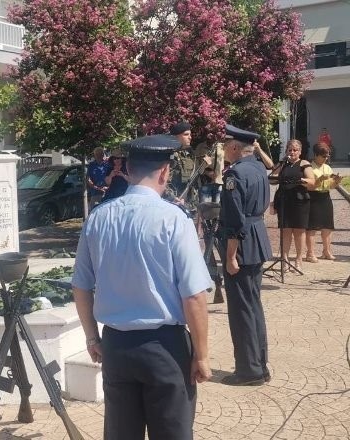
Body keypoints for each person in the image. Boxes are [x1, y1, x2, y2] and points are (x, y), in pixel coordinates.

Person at [73, 134, 212, 440]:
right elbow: (194, 295)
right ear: (165, 172)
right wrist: (201, 355)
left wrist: (92, 337)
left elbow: (81, 287)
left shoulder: (98, 217)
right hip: (165, 347)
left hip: (117, 346)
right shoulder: (175, 219)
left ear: (128, 170)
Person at [219, 124, 273, 386]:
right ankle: (260, 364)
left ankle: (248, 370)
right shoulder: (258, 168)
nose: (224, 151)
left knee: (241, 310)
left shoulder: (235, 175)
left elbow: (234, 221)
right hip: (257, 237)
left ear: (235, 147)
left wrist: (230, 256)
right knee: (253, 305)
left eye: (225, 146)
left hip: (242, 244)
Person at [271, 139, 316, 271]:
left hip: (299, 200)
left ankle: (298, 259)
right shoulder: (282, 163)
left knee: (299, 231)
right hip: (284, 200)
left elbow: (312, 182)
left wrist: (301, 180)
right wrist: (275, 175)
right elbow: (272, 179)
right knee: (285, 230)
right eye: (290, 149)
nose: (292, 152)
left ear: (300, 151)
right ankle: (284, 259)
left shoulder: (304, 164)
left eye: (295, 150)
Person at [306, 142, 341, 262]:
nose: (326, 159)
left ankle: (327, 251)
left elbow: (331, 186)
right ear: (316, 155)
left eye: (327, 156)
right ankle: (310, 253)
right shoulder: (310, 167)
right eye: (323, 156)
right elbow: (308, 185)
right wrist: (319, 180)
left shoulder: (327, 167)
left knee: (327, 226)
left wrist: (336, 181)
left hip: (325, 197)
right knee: (312, 227)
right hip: (313, 197)